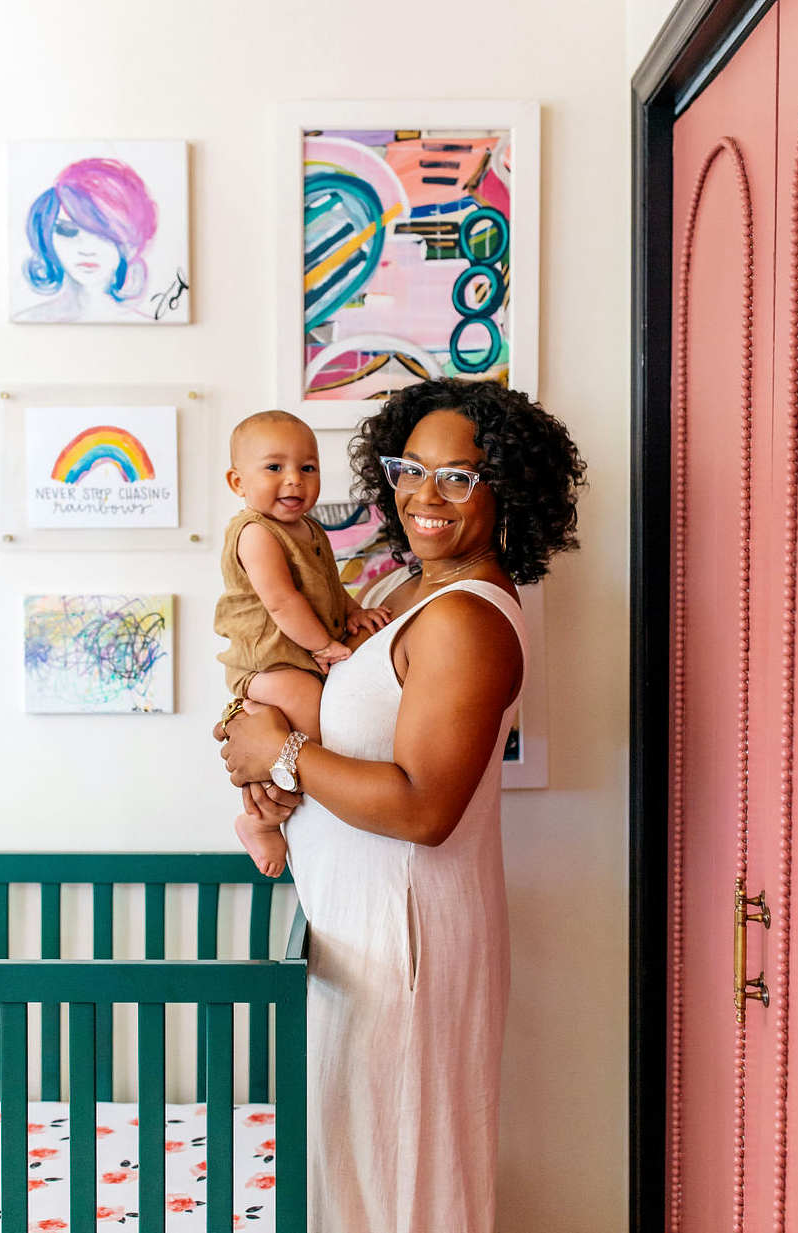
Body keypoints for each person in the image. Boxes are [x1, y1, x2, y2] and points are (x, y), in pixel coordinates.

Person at [216, 378, 586, 1231]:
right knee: (360, 1173)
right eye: (408, 468)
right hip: (365, 930)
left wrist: (281, 751)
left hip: (405, 937)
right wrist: (262, 734)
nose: (424, 493)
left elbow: (423, 808)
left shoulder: (466, 619)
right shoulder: (407, 595)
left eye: (458, 475)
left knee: (402, 1182)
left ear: (507, 488)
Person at [214, 410, 390, 876]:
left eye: (307, 467)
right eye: (274, 468)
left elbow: (327, 585)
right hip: (271, 662)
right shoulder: (255, 533)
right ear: (238, 481)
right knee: (315, 725)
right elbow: (281, 601)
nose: (293, 479)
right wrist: (324, 646)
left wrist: (351, 610)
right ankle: (263, 821)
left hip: (296, 657)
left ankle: (277, 810)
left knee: (310, 731)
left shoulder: (311, 530)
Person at [16, 158, 158, 322]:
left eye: (104, 235)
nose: (87, 249)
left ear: (131, 242)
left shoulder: (149, 327)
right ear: (45, 237)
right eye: (67, 231)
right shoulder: (29, 320)